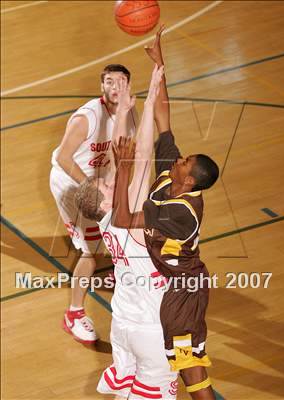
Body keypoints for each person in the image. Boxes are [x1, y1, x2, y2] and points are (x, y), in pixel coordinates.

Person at [111, 28, 219, 400]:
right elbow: (163, 118)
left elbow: (122, 220)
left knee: (189, 366)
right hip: (174, 285)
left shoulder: (182, 211)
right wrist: (159, 65)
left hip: (184, 288)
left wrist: (123, 171)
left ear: (188, 181)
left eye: (184, 162)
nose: (178, 158)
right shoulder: (172, 178)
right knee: (187, 362)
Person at [75, 64, 179, 399]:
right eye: (105, 187)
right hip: (150, 323)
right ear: (105, 202)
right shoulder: (125, 212)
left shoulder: (106, 218)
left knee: (126, 390)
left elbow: (120, 157)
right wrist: (148, 102)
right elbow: (143, 156)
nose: (109, 182)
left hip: (122, 319)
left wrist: (123, 112)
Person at [49, 64, 137, 344]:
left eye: (121, 82)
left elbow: (118, 158)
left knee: (123, 223)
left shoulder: (128, 115)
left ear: (128, 87)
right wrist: (92, 186)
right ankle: (73, 313)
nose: (115, 87)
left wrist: (113, 186)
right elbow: (63, 157)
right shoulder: (87, 117)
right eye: (110, 82)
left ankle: (116, 273)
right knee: (91, 251)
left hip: (97, 181)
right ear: (102, 87)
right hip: (70, 182)